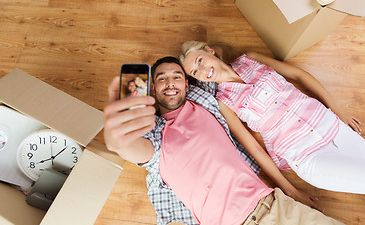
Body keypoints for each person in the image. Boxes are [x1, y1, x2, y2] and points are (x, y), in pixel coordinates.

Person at [104, 56, 343, 225]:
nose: (170, 83)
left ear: (187, 84)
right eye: (162, 79)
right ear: (153, 89)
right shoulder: (156, 134)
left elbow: (214, 56)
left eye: (176, 77)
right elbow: (137, 151)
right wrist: (118, 141)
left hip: (278, 208)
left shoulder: (207, 101)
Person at [179, 41, 365, 194]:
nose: (202, 71)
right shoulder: (223, 102)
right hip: (306, 155)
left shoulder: (250, 58)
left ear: (210, 51)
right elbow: (254, 148)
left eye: (200, 61)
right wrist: (289, 190)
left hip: (331, 125)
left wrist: (338, 110)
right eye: (195, 72)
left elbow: (298, 75)